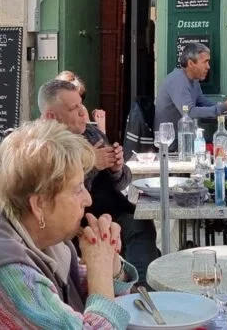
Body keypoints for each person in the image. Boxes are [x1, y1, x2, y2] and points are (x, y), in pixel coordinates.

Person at [0, 120, 137, 330]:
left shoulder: (44, 237)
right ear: (39, 204)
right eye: (78, 189)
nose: (88, 199)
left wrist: (110, 264)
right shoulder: (6, 274)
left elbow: (90, 289)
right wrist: (100, 268)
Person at [40, 78, 160, 282]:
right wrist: (91, 165)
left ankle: (143, 288)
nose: (82, 112)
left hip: (113, 212)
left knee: (140, 224)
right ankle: (133, 288)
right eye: (73, 108)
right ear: (51, 116)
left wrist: (116, 168)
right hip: (76, 221)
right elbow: (56, 195)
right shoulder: (44, 146)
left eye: (81, 104)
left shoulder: (92, 133)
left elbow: (122, 183)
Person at [154, 43, 227, 131]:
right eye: (205, 62)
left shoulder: (194, 80)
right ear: (191, 63)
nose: (208, 67)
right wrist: (223, 107)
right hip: (169, 138)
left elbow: (202, 102)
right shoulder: (177, 79)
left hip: (186, 136)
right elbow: (189, 112)